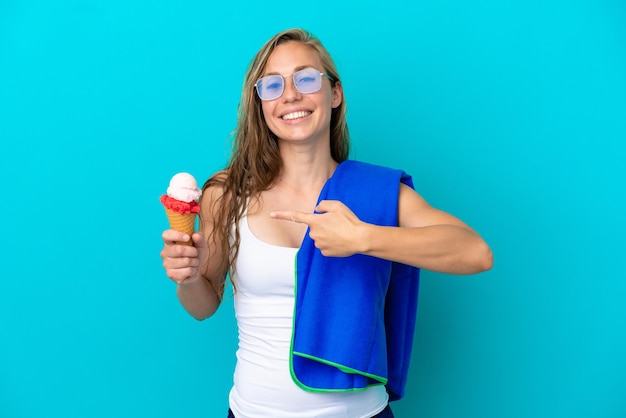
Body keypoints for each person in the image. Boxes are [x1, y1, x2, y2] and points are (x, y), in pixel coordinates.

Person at [160, 28, 493, 418]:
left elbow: (476, 252)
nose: (290, 95)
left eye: (306, 78)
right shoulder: (225, 193)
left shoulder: (376, 192)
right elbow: (202, 306)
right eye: (272, 85)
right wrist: (188, 278)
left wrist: (364, 238)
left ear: (334, 94)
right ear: (260, 104)